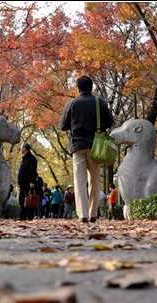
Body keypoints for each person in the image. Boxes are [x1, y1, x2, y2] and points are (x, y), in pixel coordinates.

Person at [60, 75, 114, 223]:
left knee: (79, 182)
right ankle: (93, 214)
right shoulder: (99, 102)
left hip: (77, 147)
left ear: (78, 89)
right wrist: (99, 126)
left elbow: (63, 126)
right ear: (92, 87)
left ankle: (82, 214)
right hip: (96, 147)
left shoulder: (71, 104)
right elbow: (110, 121)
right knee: (95, 181)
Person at [17, 143, 38, 221]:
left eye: (21, 147)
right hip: (22, 182)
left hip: (28, 182)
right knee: (22, 199)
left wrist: (32, 182)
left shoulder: (32, 158)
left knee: (29, 199)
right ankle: (23, 215)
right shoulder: (24, 158)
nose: (20, 149)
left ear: (25, 148)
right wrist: (19, 181)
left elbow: (33, 171)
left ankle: (30, 216)